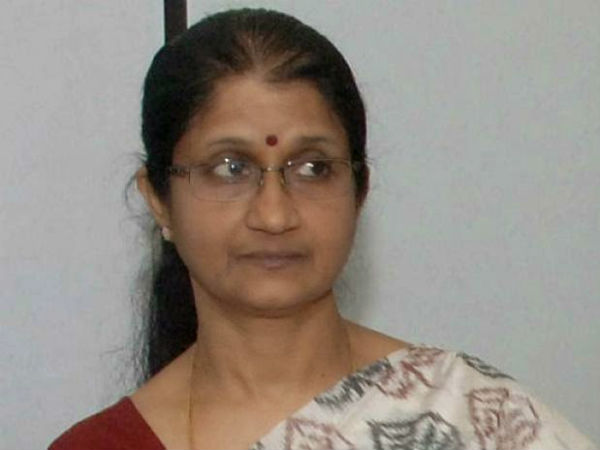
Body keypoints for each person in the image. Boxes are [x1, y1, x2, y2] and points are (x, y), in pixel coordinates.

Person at [49, 8, 595, 450]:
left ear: (360, 191)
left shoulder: (478, 419)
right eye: (230, 168)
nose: (274, 215)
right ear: (159, 201)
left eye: (313, 168)